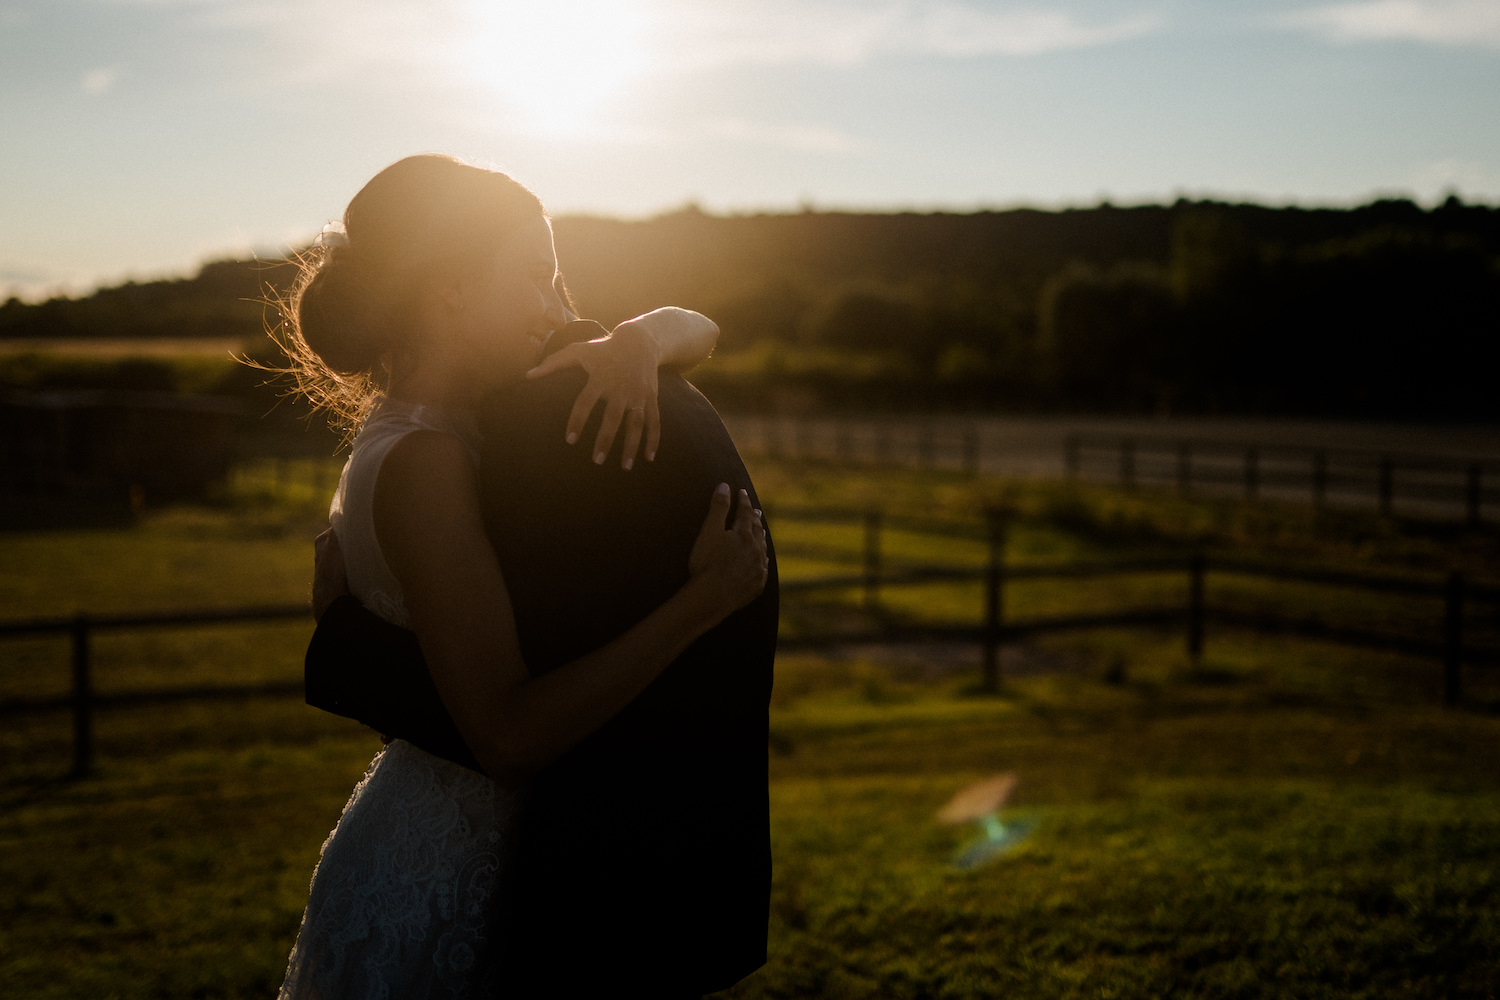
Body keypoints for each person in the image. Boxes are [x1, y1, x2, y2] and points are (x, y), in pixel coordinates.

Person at [274, 153, 772, 999]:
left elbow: (703, 327)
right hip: (441, 883)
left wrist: (640, 341)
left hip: (488, 856)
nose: (560, 309)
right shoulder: (428, 461)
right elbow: (507, 738)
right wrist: (703, 603)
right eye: (537, 277)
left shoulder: (448, 427)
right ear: (452, 290)